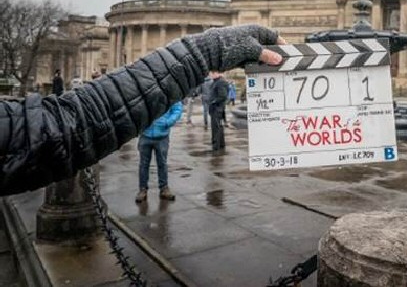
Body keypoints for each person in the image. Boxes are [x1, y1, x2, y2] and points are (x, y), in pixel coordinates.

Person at [0, 24, 285, 196]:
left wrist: (200, 54)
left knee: (157, 164)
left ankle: (159, 186)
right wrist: (198, 55)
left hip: (154, 124)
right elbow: (53, 133)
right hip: (144, 124)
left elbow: (54, 131)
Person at [135, 101, 183, 203]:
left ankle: (164, 188)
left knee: (162, 163)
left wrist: (167, 122)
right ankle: (142, 189)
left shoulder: (168, 89)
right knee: (143, 164)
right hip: (145, 135)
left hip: (162, 136)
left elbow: (177, 108)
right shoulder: (144, 90)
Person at [207, 71, 229, 151]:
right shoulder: (216, 82)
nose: (210, 74)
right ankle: (220, 144)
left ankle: (216, 145)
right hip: (216, 108)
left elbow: (223, 96)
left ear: (218, 73)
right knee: (218, 127)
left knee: (216, 127)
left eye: (212, 73)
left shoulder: (220, 82)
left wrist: (213, 102)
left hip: (217, 108)